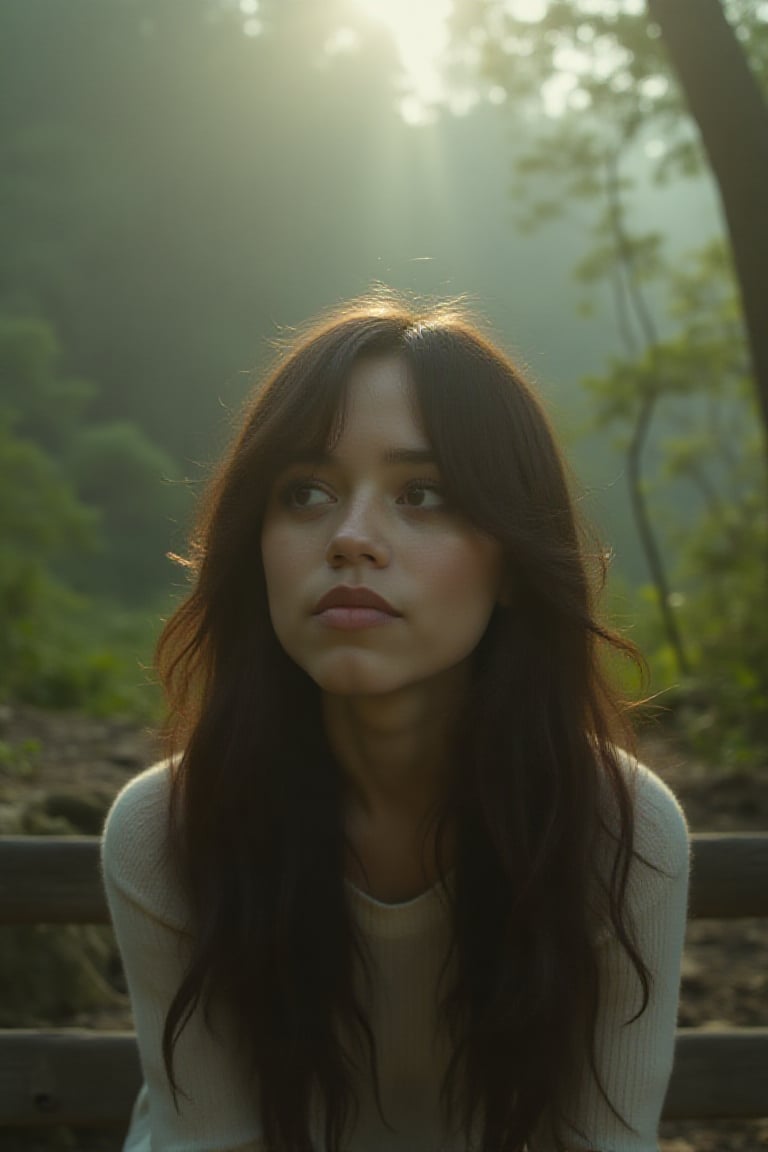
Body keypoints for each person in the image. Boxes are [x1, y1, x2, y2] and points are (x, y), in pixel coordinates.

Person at [102, 293, 690, 1152]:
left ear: (515, 564)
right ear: (254, 545)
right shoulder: (168, 829)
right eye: (305, 492)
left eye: (422, 493)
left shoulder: (620, 832)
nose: (351, 538)